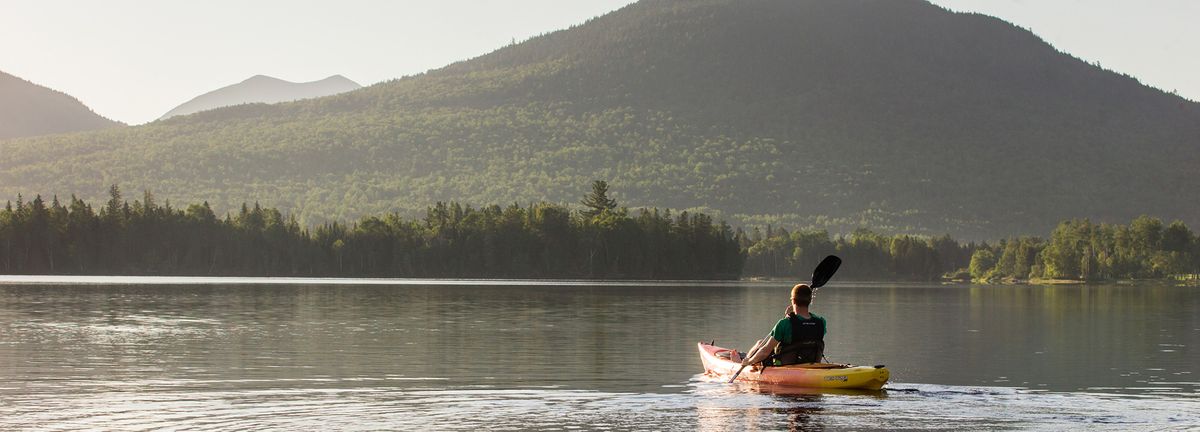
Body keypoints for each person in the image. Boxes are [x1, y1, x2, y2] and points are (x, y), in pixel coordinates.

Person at [739, 283, 827, 369]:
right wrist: (792, 316)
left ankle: (744, 362)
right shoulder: (821, 322)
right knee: (761, 343)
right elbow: (806, 332)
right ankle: (745, 359)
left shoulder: (784, 323)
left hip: (786, 367)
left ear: (793, 300)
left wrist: (750, 361)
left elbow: (765, 351)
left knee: (760, 343)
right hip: (812, 365)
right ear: (810, 301)